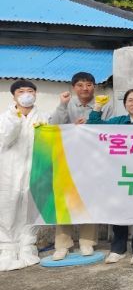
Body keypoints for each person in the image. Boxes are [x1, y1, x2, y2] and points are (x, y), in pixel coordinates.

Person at [51, 71, 112, 261]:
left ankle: (87, 242)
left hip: (93, 160)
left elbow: (112, 129)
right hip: (68, 159)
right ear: (73, 88)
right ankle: (62, 244)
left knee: (89, 200)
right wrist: (68, 118)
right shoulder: (66, 104)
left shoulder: (106, 105)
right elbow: (53, 126)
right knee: (65, 201)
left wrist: (92, 125)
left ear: (94, 86)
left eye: (89, 84)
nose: (84, 88)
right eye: (80, 85)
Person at [87, 88, 133, 265]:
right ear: (125, 104)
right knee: (119, 210)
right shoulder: (118, 121)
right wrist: (97, 108)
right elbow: (94, 126)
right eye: (130, 100)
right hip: (119, 172)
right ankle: (118, 248)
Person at [0, 80, 49, 271]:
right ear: (14, 96)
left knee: (32, 206)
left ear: (35, 94)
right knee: (8, 207)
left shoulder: (44, 116)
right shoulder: (5, 117)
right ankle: (7, 248)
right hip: (10, 170)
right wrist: (16, 117)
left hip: (35, 169)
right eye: (21, 91)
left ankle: (28, 245)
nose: (26, 94)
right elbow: (5, 138)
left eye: (30, 90)